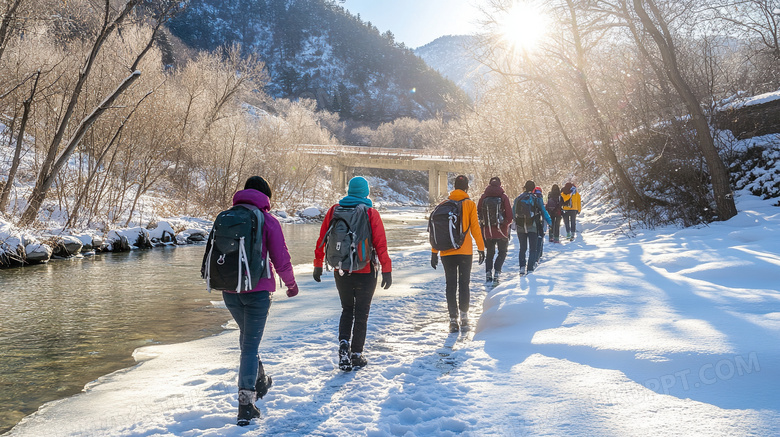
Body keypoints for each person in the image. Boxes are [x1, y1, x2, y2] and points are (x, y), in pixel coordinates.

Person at [203, 176, 299, 426]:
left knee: (247, 339)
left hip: (229, 289)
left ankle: (260, 380)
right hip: (257, 292)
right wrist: (290, 284)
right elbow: (281, 258)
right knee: (249, 346)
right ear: (266, 195)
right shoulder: (267, 220)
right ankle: (245, 405)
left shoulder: (226, 216)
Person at [313, 176, 392, 372]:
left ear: (349, 190)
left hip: (341, 269)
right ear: (365, 192)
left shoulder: (334, 210)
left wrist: (317, 264)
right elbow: (381, 244)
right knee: (361, 313)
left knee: (347, 309)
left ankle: (343, 346)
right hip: (365, 269)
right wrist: (387, 269)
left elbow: (322, 238)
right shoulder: (371, 212)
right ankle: (356, 354)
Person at [430, 175, 485, 333]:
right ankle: (465, 318)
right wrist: (481, 248)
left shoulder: (443, 205)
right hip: (465, 252)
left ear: (454, 187)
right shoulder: (470, 204)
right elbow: (475, 228)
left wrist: (434, 252)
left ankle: (453, 320)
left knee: (450, 285)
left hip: (446, 252)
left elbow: (436, 231)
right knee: (464, 284)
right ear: (467, 187)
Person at [477, 176, 513, 284]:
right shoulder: (503, 197)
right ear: (500, 184)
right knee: (502, 252)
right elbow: (510, 215)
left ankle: (488, 273)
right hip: (501, 231)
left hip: (488, 231)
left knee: (490, 253)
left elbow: (478, 212)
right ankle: (497, 272)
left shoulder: (483, 197)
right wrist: (505, 224)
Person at [513, 180, 551, 275]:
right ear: (533, 188)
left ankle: (522, 267)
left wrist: (516, 222)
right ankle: (530, 268)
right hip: (533, 227)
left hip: (521, 227)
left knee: (522, 248)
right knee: (533, 249)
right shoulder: (536, 198)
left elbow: (513, 212)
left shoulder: (518, 198)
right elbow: (543, 211)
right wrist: (550, 222)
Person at [533, 186, 546, 268]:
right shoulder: (540, 199)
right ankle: (538, 256)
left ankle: (535, 257)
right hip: (539, 223)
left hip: (531, 223)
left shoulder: (531, 199)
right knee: (540, 239)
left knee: (534, 241)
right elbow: (544, 213)